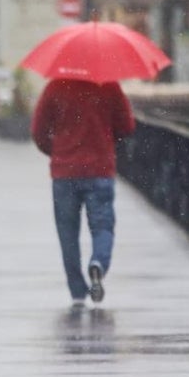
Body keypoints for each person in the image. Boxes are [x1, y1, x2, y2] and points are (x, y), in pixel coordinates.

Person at [31, 79, 135, 307]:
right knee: (103, 226)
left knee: (67, 232)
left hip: (64, 173)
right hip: (100, 170)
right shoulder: (109, 86)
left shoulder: (55, 87)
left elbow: (38, 130)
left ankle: (77, 291)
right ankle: (98, 262)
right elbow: (127, 126)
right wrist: (106, 142)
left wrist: (57, 152)